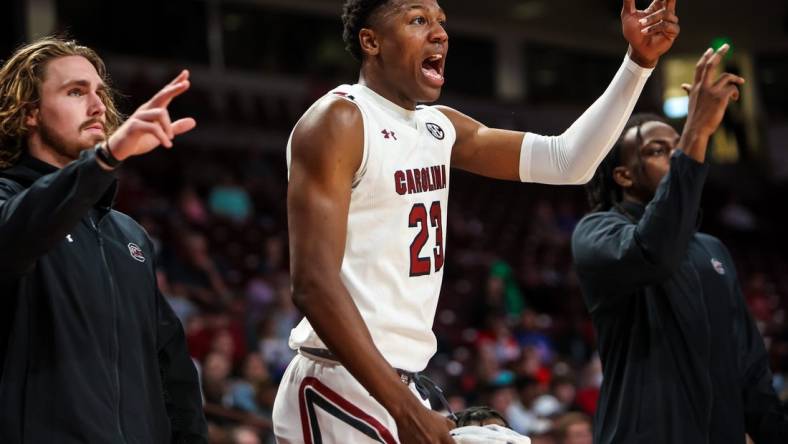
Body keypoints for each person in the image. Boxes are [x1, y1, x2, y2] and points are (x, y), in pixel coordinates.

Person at [274, 0, 680, 442]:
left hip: (398, 383)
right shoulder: (341, 119)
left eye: (441, 22)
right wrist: (406, 410)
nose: (440, 33)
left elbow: (568, 161)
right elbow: (313, 283)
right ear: (371, 41)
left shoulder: (437, 126)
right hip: (337, 381)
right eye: (417, 20)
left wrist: (638, 63)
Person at [572, 45, 788, 443]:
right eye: (658, 151)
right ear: (622, 176)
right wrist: (695, 133)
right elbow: (653, 252)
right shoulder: (595, 233)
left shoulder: (713, 249)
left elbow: (750, 368)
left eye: (678, 146)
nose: (675, 155)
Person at [0, 37, 207, 442]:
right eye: (76, 92)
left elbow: (173, 371)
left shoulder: (129, 236)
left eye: (99, 92)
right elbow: (18, 233)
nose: (98, 106)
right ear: (29, 114)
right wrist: (105, 159)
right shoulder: (9, 203)